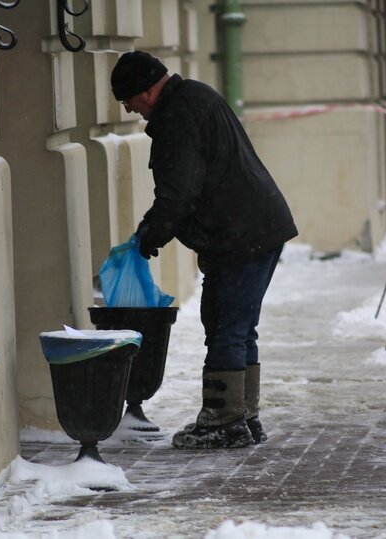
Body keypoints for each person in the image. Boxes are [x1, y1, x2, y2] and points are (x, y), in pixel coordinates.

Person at [110, 51, 298, 450]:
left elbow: (180, 192)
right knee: (237, 323)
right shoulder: (194, 96)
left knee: (226, 324)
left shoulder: (178, 115)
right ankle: (244, 416)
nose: (129, 108)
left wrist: (152, 234)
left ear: (147, 89)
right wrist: (154, 225)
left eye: (128, 99)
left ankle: (223, 421)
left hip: (240, 233)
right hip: (254, 227)